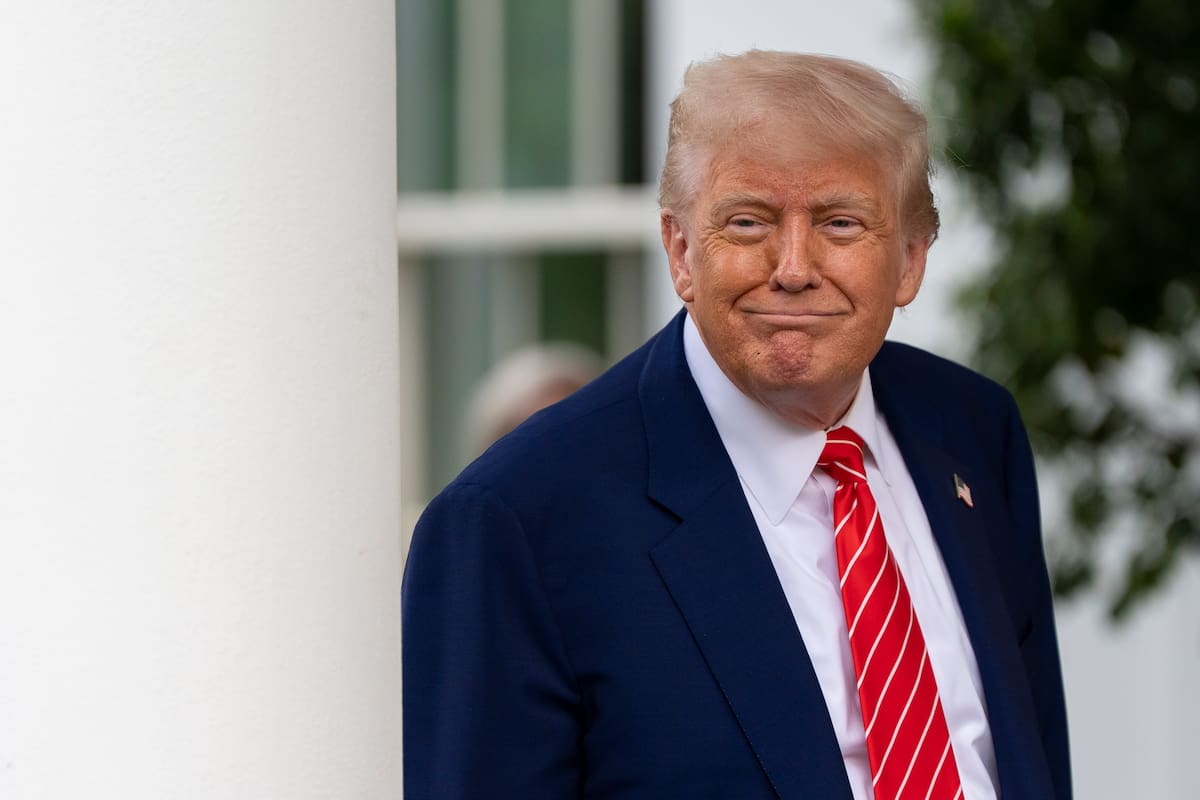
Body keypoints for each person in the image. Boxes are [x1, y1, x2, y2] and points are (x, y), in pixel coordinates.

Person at [402, 51, 1071, 799]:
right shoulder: (516, 520)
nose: (793, 266)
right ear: (682, 251)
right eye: (748, 221)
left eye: (840, 223)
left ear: (911, 259)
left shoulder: (974, 430)